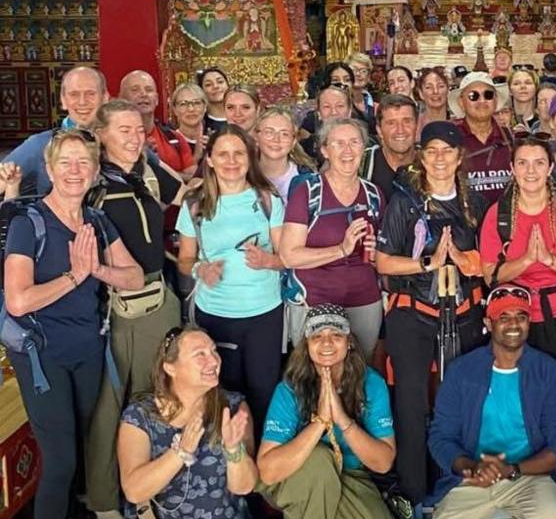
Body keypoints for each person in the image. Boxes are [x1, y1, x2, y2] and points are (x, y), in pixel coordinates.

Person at [4, 129, 144, 519]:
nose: (74, 170)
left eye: (84, 161)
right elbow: (17, 301)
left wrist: (97, 268)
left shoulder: (97, 222)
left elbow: (133, 277)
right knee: (61, 460)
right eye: (64, 162)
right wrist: (74, 277)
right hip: (42, 354)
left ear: (96, 170)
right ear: (49, 168)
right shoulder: (27, 223)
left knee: (77, 448)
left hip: (87, 350)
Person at [375, 121, 490, 502]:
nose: (440, 158)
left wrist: (463, 259)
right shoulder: (405, 201)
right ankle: (413, 488)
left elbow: (490, 260)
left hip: (464, 311)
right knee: (410, 401)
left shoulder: (474, 202)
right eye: (432, 151)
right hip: (414, 309)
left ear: (460, 157)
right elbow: (384, 262)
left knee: (463, 397)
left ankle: (461, 483)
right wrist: (427, 262)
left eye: (448, 151)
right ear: (421, 157)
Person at [83, 100, 187, 514]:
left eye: (137, 129)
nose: (133, 137)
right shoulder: (94, 186)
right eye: (122, 130)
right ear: (102, 135)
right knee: (114, 404)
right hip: (121, 305)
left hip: (158, 295)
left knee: (155, 396)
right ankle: (108, 498)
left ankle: (147, 488)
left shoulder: (143, 174)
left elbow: (185, 192)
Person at [176, 125, 286, 440]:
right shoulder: (195, 204)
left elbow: (287, 257)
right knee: (224, 393)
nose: (231, 161)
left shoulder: (267, 200)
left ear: (250, 158)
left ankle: (263, 470)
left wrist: (269, 261)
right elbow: (184, 259)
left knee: (264, 391)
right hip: (216, 316)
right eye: (222, 154)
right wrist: (200, 270)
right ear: (209, 160)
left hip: (264, 313)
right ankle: (229, 469)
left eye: (239, 153)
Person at [427, 285, 556, 519]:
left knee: (552, 514)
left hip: (529, 479)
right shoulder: (461, 372)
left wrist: (512, 470)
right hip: (471, 480)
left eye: (521, 317)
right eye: (503, 317)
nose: (513, 325)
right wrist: (473, 467)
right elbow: (441, 438)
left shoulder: (550, 372)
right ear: (488, 323)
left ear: (529, 322)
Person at [257, 304, 396, 518]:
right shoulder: (290, 388)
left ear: (349, 342)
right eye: (317, 336)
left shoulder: (371, 384)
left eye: (336, 334)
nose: (327, 343)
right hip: (296, 474)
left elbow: (383, 462)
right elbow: (268, 471)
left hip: (350, 475)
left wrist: (343, 420)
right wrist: (320, 422)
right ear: (307, 345)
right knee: (319, 461)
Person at [116, 327, 258, 519]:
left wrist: (234, 451)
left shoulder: (232, 407)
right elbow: (134, 491)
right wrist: (180, 452)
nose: (214, 360)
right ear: (170, 368)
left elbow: (244, 487)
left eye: (214, 350)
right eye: (200, 354)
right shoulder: (140, 416)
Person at [280, 117, 385, 354]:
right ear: (325, 150)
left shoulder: (373, 194)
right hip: (315, 300)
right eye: (338, 143)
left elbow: (383, 253)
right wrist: (341, 249)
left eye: (354, 142)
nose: (348, 151)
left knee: (358, 373)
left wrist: (376, 250)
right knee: (316, 376)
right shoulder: (308, 192)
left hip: (365, 299)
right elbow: (289, 256)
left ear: (364, 148)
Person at [480, 137, 556, 365]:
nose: (530, 171)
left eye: (539, 163)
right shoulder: (499, 215)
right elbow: (490, 276)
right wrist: (526, 260)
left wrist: (549, 260)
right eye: (522, 163)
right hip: (514, 314)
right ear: (512, 168)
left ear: (550, 168)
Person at [3, 66, 109, 196]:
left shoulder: (117, 142)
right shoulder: (40, 144)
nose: (82, 102)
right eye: (74, 94)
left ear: (105, 98)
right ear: (63, 101)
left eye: (90, 94)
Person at [448, 72, 514, 204]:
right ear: (461, 102)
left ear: (495, 101)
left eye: (488, 95)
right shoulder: (451, 138)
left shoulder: (511, 137)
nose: (482, 101)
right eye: (473, 96)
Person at [120, 70, 196, 179]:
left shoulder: (175, 139)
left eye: (149, 90)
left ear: (156, 99)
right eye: (135, 90)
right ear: (122, 99)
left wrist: (156, 166)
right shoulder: (113, 141)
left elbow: (193, 178)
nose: (143, 94)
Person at [362, 94, 417, 199]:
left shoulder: (431, 162)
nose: (400, 130)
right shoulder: (362, 164)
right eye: (391, 123)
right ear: (379, 130)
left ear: (416, 125)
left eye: (407, 121)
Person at [255, 107, 316, 202]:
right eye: (269, 132)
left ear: (293, 141)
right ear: (256, 137)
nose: (276, 139)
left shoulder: (308, 180)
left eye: (284, 134)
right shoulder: (243, 175)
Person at [170, 81, 209, 160]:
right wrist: (197, 155)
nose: (191, 109)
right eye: (183, 104)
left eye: (196, 103)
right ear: (175, 110)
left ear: (205, 107)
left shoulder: (215, 140)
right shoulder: (168, 141)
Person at [197, 66, 230, 134]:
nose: (215, 86)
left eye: (220, 82)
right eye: (208, 85)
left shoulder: (240, 118)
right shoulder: (199, 123)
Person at [348, 53, 377, 129]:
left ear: (368, 77)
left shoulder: (374, 104)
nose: (358, 74)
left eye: (363, 71)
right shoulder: (340, 101)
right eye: (354, 70)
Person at [509, 67, 540, 132]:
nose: (523, 86)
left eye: (528, 83)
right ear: (510, 91)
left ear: (536, 89)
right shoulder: (503, 120)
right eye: (516, 83)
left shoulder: (542, 121)